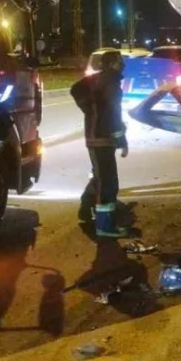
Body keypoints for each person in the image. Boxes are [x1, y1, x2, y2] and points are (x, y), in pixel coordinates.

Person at [71, 50, 130, 238]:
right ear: (112, 63)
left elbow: (75, 89)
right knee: (108, 183)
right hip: (102, 139)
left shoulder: (99, 80)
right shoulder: (110, 84)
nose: (123, 64)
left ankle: (86, 206)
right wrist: (122, 139)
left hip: (97, 138)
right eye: (120, 61)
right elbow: (113, 114)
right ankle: (104, 226)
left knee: (101, 176)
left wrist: (90, 110)